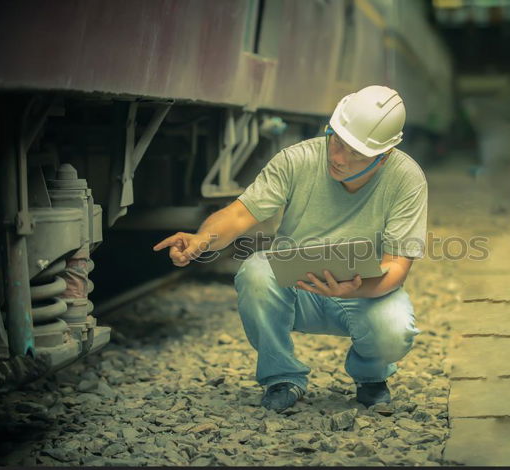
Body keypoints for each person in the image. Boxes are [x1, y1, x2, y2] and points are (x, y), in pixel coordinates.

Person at [153, 85, 428, 412]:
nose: (338, 158)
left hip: (361, 290)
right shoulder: (297, 160)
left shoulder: (406, 178)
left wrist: (352, 289)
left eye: (356, 153)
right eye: (336, 140)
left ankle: (370, 377)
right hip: (297, 288)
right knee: (256, 270)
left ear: (384, 158)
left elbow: (396, 267)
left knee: (394, 329)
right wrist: (202, 240)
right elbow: (240, 214)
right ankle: (281, 378)